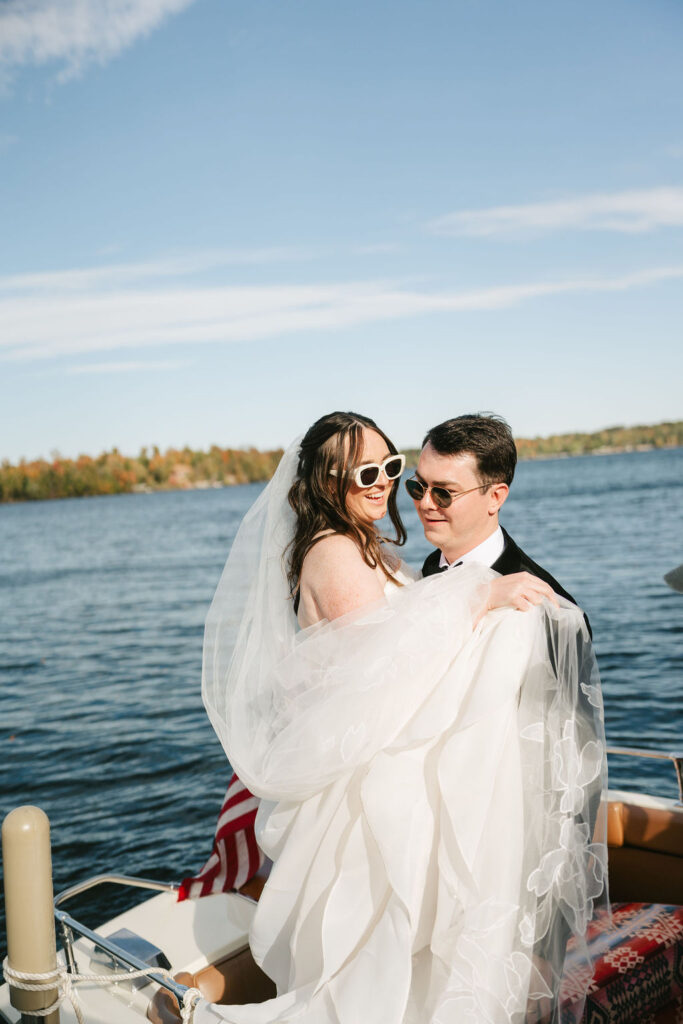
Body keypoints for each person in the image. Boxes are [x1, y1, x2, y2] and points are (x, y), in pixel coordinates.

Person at [193, 411, 607, 1024]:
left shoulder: (542, 606)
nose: (414, 498)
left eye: (431, 486)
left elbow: (570, 775)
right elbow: (378, 679)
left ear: (496, 497)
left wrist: (541, 929)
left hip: (491, 847)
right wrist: (475, 595)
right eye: (413, 482)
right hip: (395, 825)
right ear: (327, 481)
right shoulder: (371, 561)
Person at [415, 414, 586, 623]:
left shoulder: (550, 607)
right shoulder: (429, 568)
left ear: (495, 497)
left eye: (444, 493)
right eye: (418, 486)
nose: (425, 503)